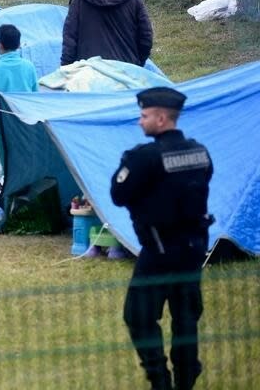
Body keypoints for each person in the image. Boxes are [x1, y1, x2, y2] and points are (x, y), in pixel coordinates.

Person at [111, 86, 213, 390]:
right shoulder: (199, 151)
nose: (140, 121)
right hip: (194, 247)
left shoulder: (145, 157)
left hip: (159, 250)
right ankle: (186, 377)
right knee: (185, 318)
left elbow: (118, 195)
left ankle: (160, 380)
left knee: (138, 316)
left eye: (144, 116)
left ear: (160, 118)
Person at [0, 24, 39, 162]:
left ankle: (8, 179)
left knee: (6, 158)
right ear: (19, 44)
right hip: (24, 120)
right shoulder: (29, 66)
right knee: (25, 155)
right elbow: (35, 96)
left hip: (1, 122)